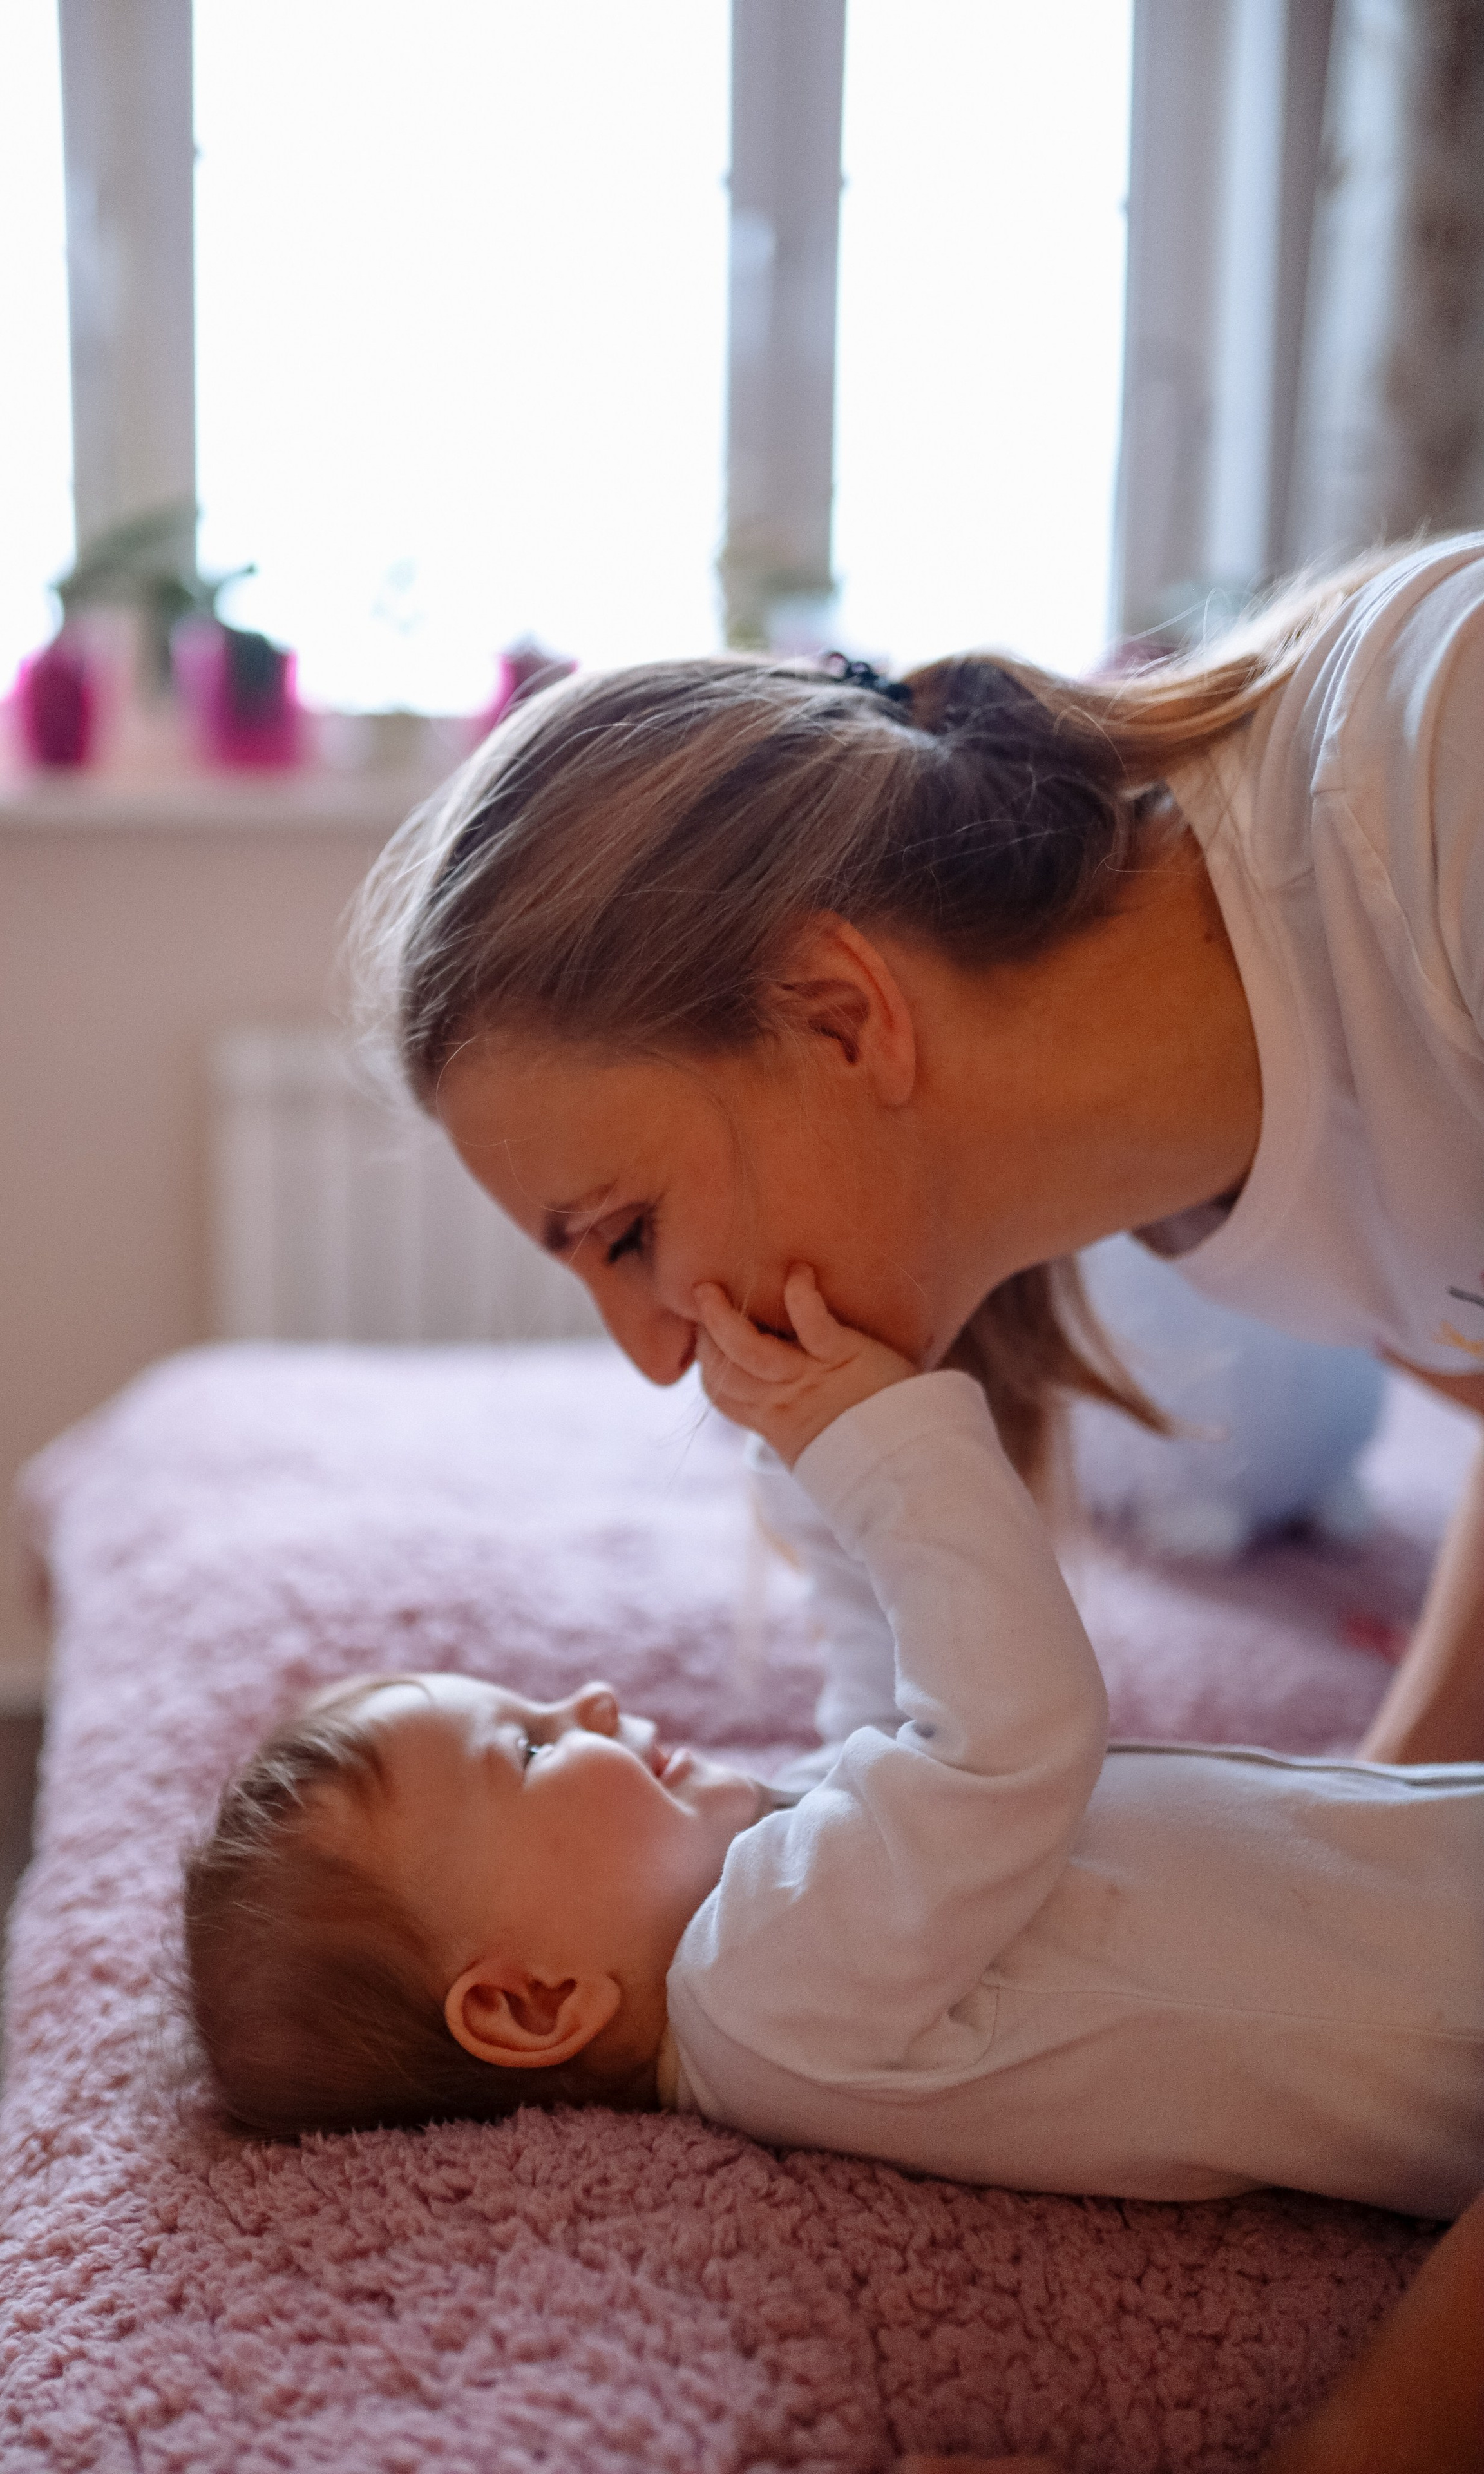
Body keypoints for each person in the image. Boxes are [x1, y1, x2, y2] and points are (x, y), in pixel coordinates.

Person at [349, 529, 1484, 1770]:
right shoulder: (1202, 1195)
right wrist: (1372, 1840)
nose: (659, 1356)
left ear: (840, 1015)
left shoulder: (1436, 774)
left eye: (631, 1235)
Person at [181, 1269, 1483, 2222]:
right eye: (522, 1752)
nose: (580, 1696)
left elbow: (894, 1713)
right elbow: (1004, 1736)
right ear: (531, 2002)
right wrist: (880, 1444)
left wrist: (790, 1448)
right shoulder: (763, 1996)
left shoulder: (775, 1924)